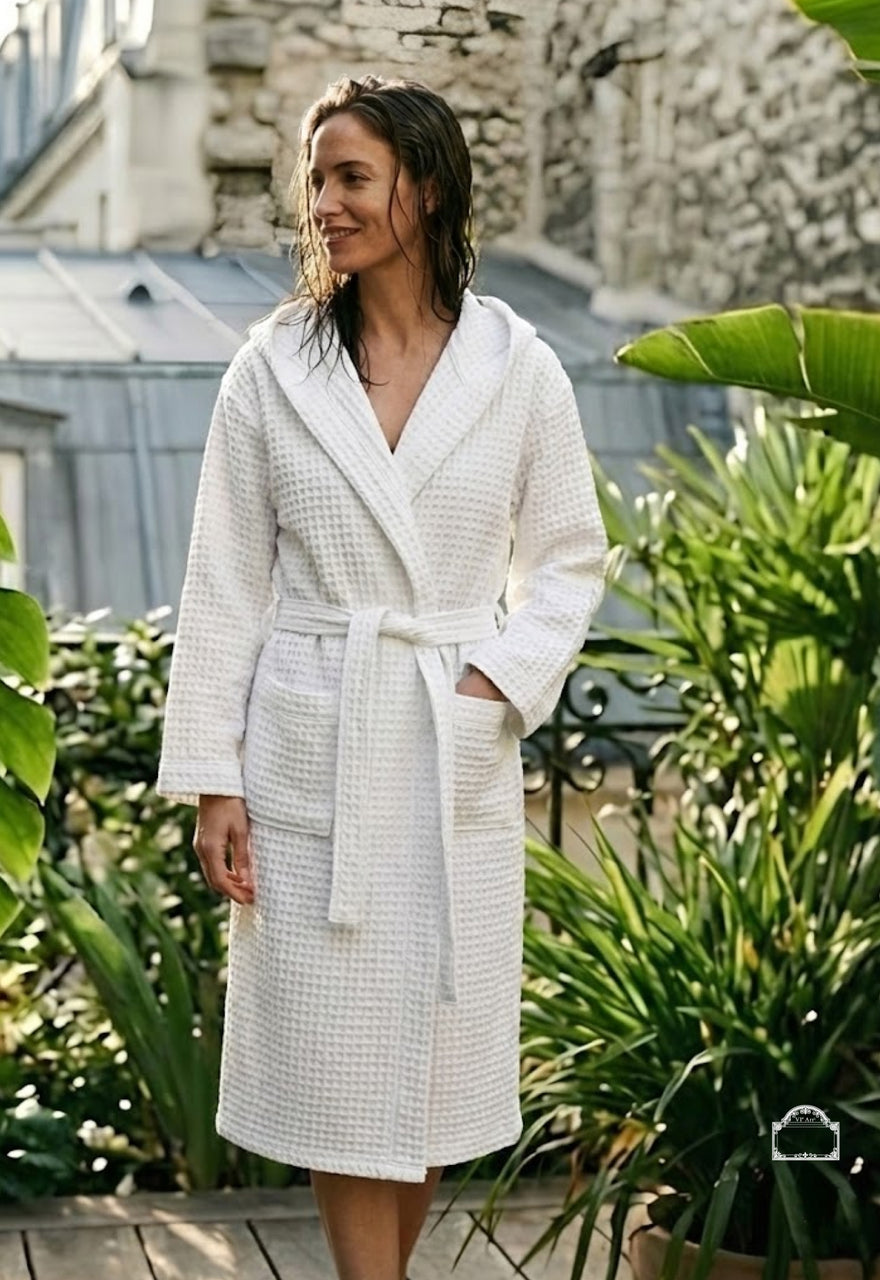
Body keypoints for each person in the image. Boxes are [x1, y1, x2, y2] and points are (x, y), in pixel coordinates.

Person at [156, 73, 609, 1280]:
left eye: (349, 176)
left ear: (426, 186)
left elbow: (567, 562)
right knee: (337, 1061)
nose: (323, 204)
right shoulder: (273, 369)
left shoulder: (520, 371)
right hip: (315, 746)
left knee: (419, 1067)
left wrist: (487, 688)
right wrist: (212, 778)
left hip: (446, 747)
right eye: (316, 180)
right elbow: (223, 580)